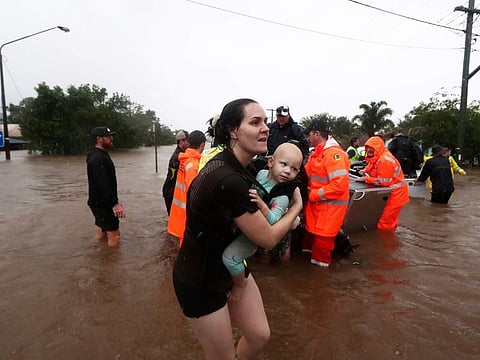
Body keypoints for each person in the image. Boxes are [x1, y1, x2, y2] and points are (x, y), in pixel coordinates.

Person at [172, 98, 303, 359]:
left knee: (259, 336)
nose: (266, 127)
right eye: (255, 122)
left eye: (265, 121)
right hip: (201, 280)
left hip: (232, 264)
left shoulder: (242, 167)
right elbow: (267, 239)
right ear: (233, 130)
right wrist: (296, 207)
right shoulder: (228, 179)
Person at [222, 142, 303, 287]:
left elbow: (273, 222)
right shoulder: (261, 174)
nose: (287, 171)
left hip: (254, 237)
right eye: (283, 164)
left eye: (294, 169)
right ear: (271, 162)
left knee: (230, 259)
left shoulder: (282, 197)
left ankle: (240, 286)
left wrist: (262, 204)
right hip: (244, 224)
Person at [302, 120, 350, 267]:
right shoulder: (317, 153)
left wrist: (312, 195)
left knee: (322, 246)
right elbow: (306, 174)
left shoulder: (334, 155)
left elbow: (338, 186)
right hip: (316, 207)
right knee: (308, 242)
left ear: (317, 134)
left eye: (309, 135)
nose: (307, 138)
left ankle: (319, 279)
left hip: (329, 209)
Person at [356, 136, 409, 231]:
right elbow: (372, 163)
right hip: (391, 194)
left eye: (372, 148)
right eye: (367, 148)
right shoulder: (380, 154)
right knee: (389, 220)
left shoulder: (385, 160)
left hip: (395, 195)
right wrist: (365, 170)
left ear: (378, 147)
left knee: (384, 223)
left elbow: (384, 182)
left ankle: (385, 243)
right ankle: (391, 234)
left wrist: (366, 179)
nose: (369, 150)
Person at [86, 127, 126, 247]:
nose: (111, 139)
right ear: (99, 139)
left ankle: (97, 257)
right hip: (103, 204)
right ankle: (111, 263)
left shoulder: (94, 155)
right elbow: (103, 183)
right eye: (108, 137)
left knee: (102, 231)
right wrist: (115, 204)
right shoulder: (99, 158)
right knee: (114, 234)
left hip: (96, 202)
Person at [167, 130, 206, 246]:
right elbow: (194, 193)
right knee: (187, 249)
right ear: (202, 144)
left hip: (181, 212)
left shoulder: (185, 159)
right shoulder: (193, 165)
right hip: (186, 215)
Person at [162, 130, 189, 215]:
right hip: (171, 192)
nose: (189, 143)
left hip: (172, 191)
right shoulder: (178, 157)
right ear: (181, 141)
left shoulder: (182, 153)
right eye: (187, 141)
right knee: (174, 219)